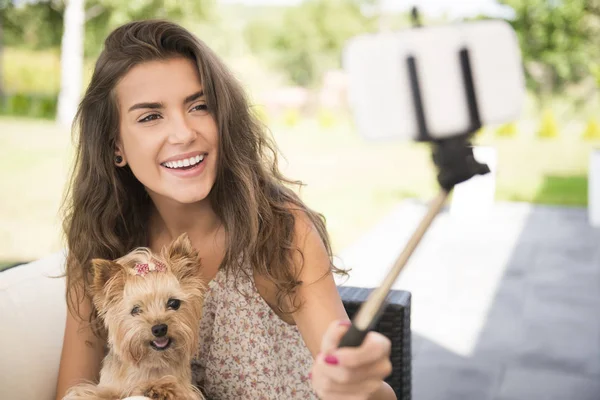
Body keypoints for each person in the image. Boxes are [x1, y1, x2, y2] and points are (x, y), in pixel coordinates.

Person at [55, 19, 396, 400]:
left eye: (200, 106)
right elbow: (72, 392)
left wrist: (356, 382)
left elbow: (372, 394)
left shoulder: (281, 233)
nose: (184, 133)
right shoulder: (100, 244)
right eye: (151, 116)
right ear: (114, 144)